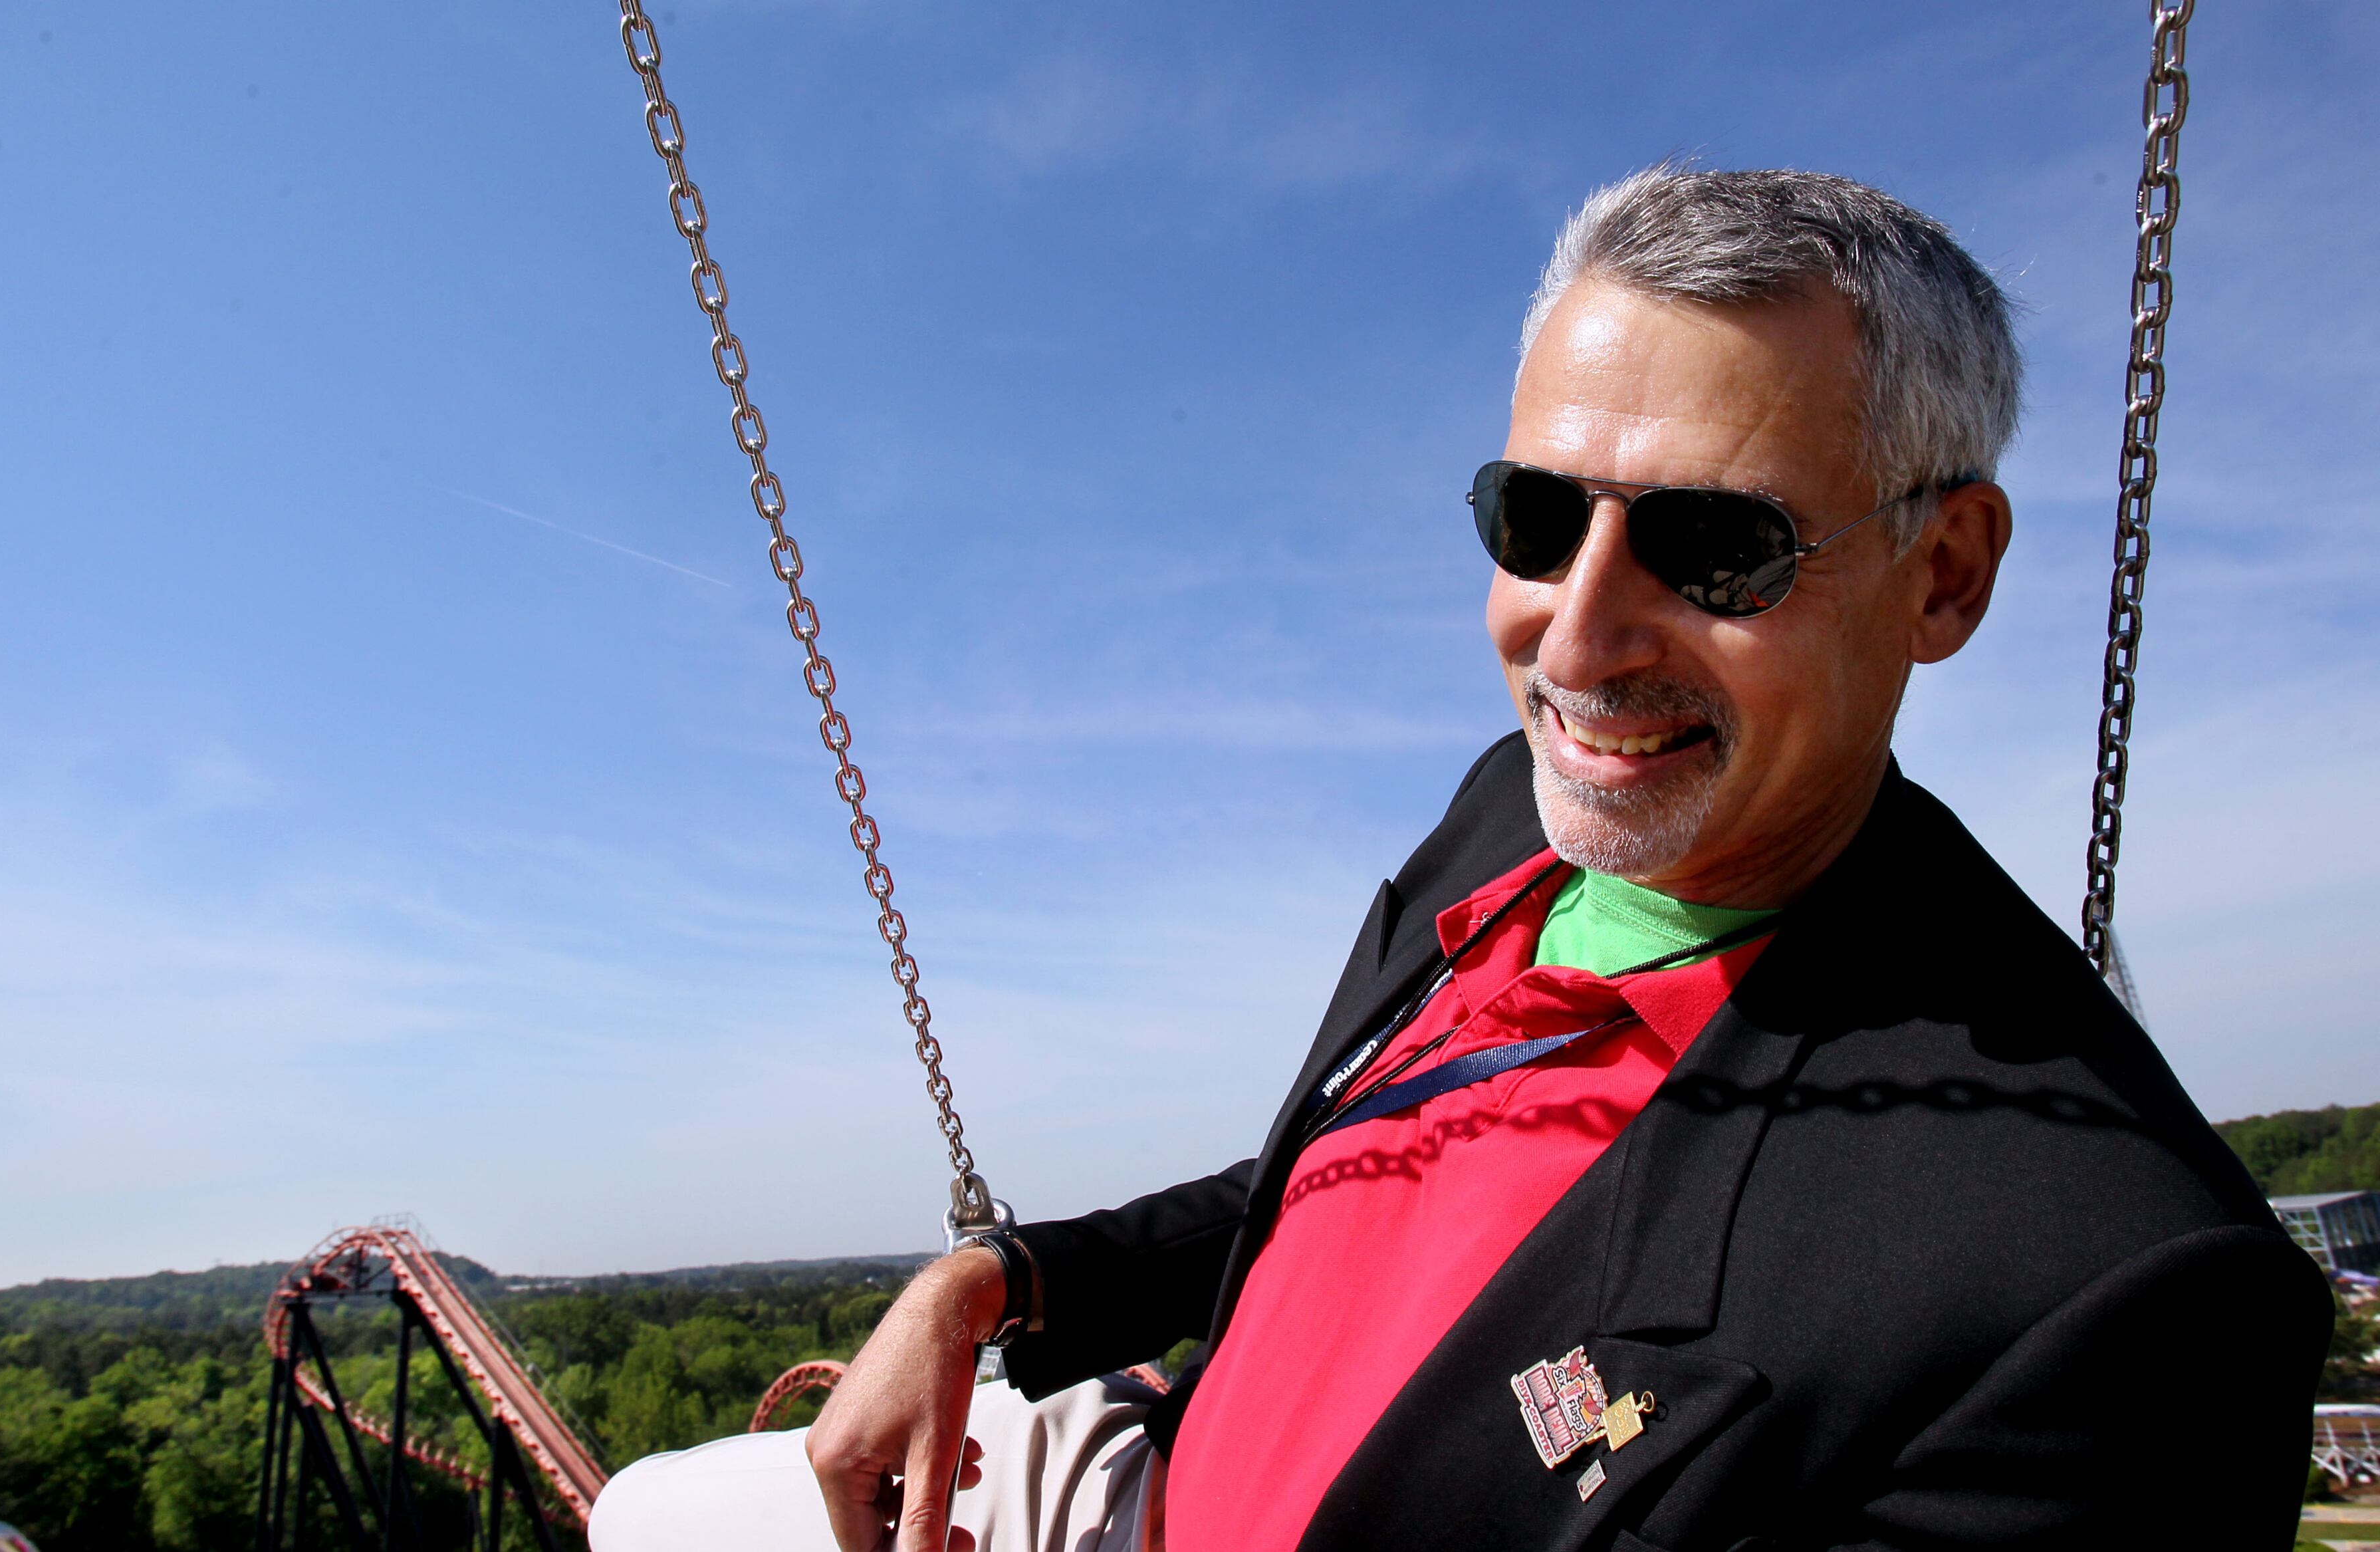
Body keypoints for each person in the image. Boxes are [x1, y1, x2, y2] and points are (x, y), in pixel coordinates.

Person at [587, 167, 2331, 1552]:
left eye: (1713, 547)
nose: (1576, 637)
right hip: (1132, 1484)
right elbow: (1329, 1178)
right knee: (643, 1517)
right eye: (1538, 514)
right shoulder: (1512, 805)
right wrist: (997, 1287)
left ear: (1941, 575)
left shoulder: (2110, 1293)